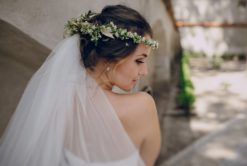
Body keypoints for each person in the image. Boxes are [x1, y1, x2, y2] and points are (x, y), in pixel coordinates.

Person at [0, 4, 161, 166]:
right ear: (112, 58)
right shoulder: (143, 105)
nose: (145, 71)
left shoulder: (57, 98)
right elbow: (148, 162)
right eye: (139, 60)